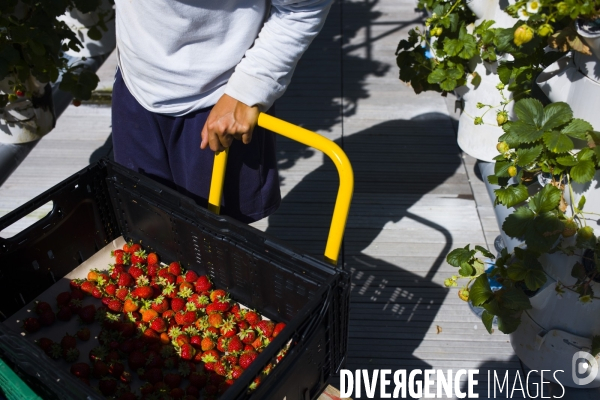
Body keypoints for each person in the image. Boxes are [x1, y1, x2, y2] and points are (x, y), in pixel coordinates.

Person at [111, 0, 333, 223]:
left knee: (211, 240)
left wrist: (249, 88)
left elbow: (303, 7)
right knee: (144, 223)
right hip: (134, 82)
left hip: (220, 98)